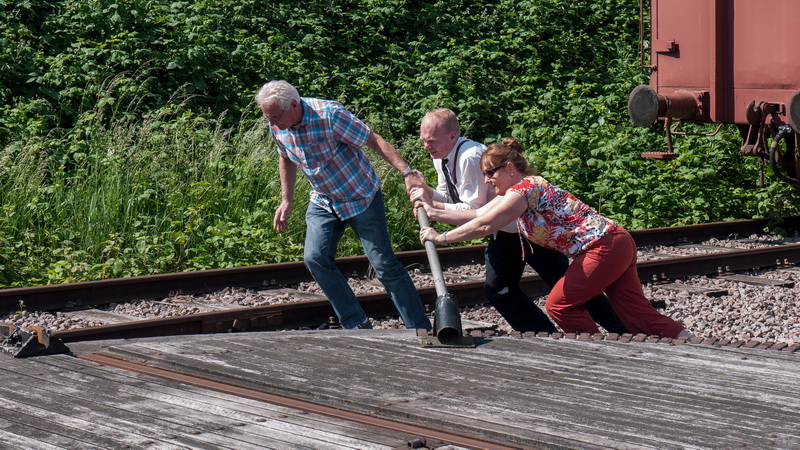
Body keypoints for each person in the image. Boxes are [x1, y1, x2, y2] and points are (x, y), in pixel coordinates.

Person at [417, 137, 692, 338]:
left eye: (490, 173)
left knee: (559, 305)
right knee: (634, 312)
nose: (487, 180)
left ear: (510, 168)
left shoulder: (525, 188)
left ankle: (596, 352)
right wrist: (434, 213)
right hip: (616, 241)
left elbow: (485, 225)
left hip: (603, 247)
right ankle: (686, 340)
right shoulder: (520, 191)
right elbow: (479, 215)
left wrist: (440, 239)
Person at [409, 109, 628, 334]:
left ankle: (622, 330)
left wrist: (434, 213)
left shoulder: (469, 156)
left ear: (452, 136)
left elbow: (476, 212)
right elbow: (450, 198)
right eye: (424, 141)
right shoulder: (440, 155)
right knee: (498, 290)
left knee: (568, 287)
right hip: (505, 232)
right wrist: (427, 194)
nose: (427, 147)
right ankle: (542, 334)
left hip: (531, 231)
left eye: (431, 141)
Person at [255, 80, 431, 331]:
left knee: (384, 265)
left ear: (294, 104)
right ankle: (356, 322)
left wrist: (407, 172)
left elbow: (373, 140)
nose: (272, 124)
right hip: (324, 200)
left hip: (361, 197)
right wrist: (286, 200)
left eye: (275, 117)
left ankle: (419, 327)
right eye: (268, 119)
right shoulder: (279, 124)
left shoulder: (330, 115)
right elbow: (285, 157)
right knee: (314, 258)